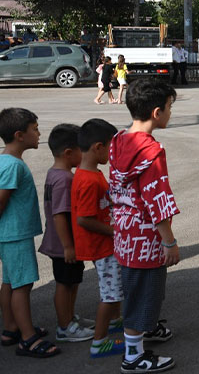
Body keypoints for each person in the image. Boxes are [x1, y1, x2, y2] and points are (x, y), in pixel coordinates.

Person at [0, 108, 61, 358]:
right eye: (35, 129)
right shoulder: (12, 166)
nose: (39, 133)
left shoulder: (7, 160)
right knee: (22, 285)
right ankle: (28, 339)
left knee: (10, 282)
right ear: (19, 135)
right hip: (14, 235)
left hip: (9, 235)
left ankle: (11, 328)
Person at [109, 78, 180, 372]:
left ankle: (147, 328)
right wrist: (169, 241)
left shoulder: (118, 141)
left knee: (136, 287)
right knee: (146, 292)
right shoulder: (151, 152)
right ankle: (134, 355)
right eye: (169, 107)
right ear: (156, 113)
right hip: (146, 236)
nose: (170, 113)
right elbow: (157, 198)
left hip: (124, 232)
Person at [72, 118, 126, 359]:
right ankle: (99, 342)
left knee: (113, 288)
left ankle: (115, 322)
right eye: (111, 147)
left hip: (104, 245)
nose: (113, 153)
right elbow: (84, 219)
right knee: (111, 293)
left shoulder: (92, 174)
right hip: (102, 247)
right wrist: (115, 232)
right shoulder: (87, 180)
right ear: (98, 147)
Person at [38, 123, 95, 344]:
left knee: (72, 282)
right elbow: (59, 215)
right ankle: (65, 326)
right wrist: (68, 246)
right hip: (64, 246)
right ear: (69, 152)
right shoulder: (65, 180)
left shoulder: (56, 174)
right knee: (64, 284)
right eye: (83, 149)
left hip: (65, 244)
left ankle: (70, 318)